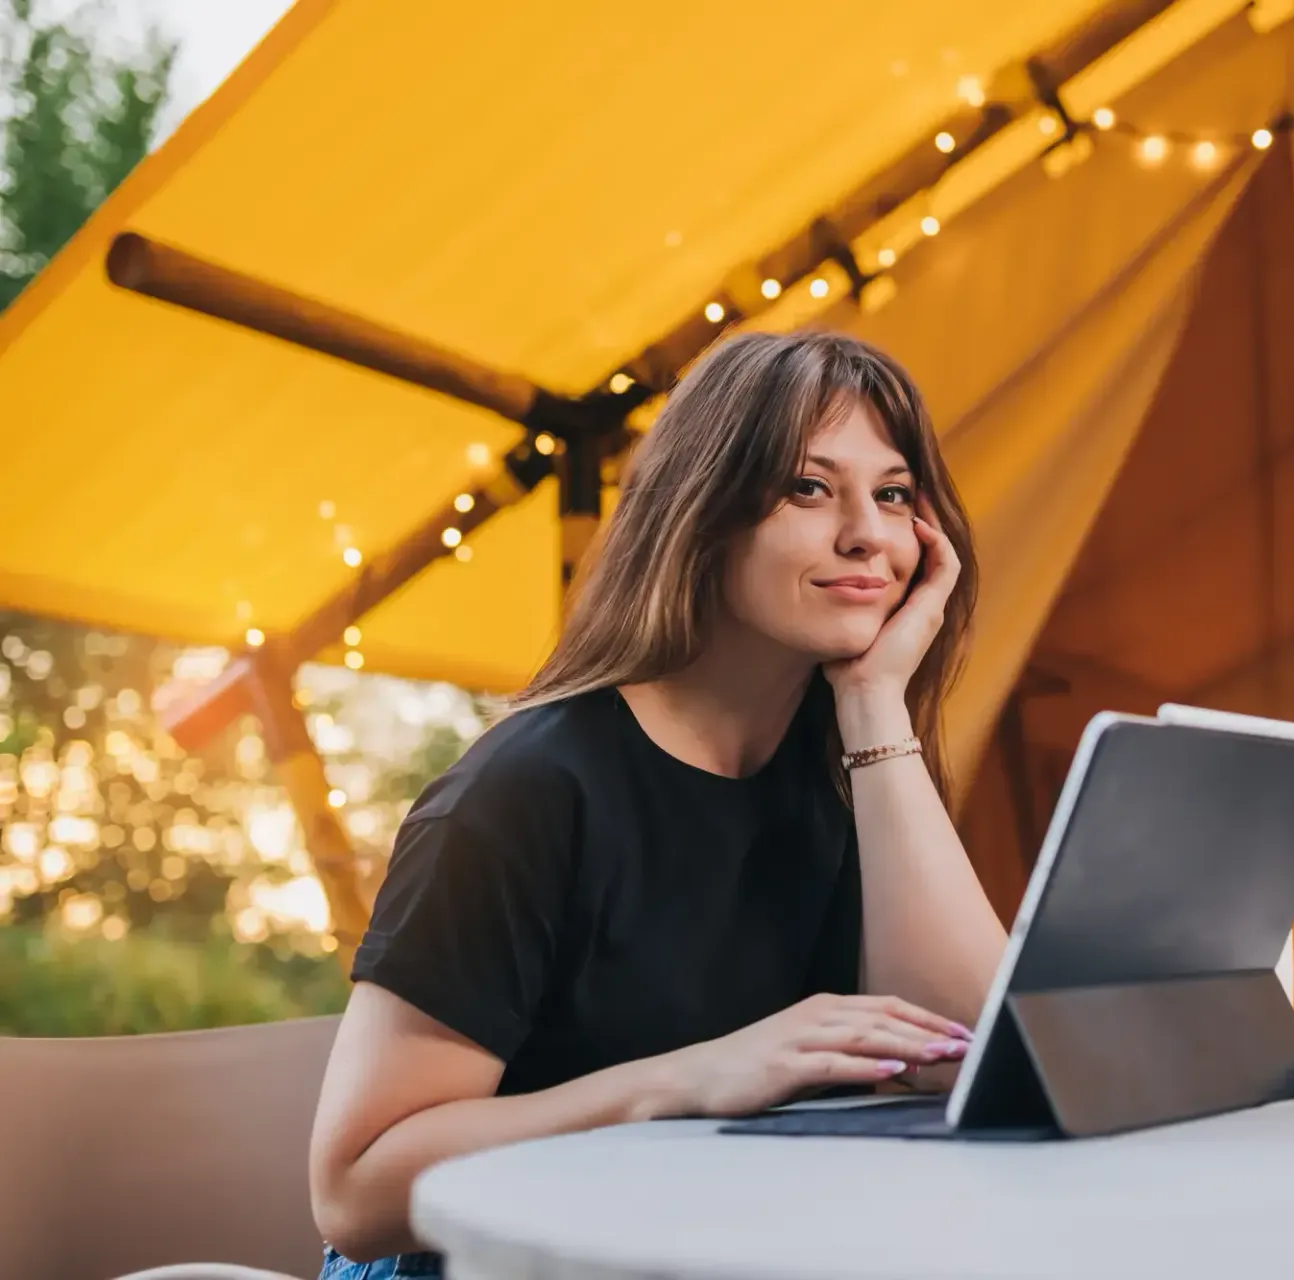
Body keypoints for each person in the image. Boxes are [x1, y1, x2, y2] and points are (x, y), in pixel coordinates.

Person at [308, 331, 1010, 1280]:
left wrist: (874, 702)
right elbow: (354, 1194)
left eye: (892, 495)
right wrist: (687, 1081)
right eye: (809, 488)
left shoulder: (853, 774)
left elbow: (972, 1059)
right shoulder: (521, 793)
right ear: (703, 514)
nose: (869, 537)